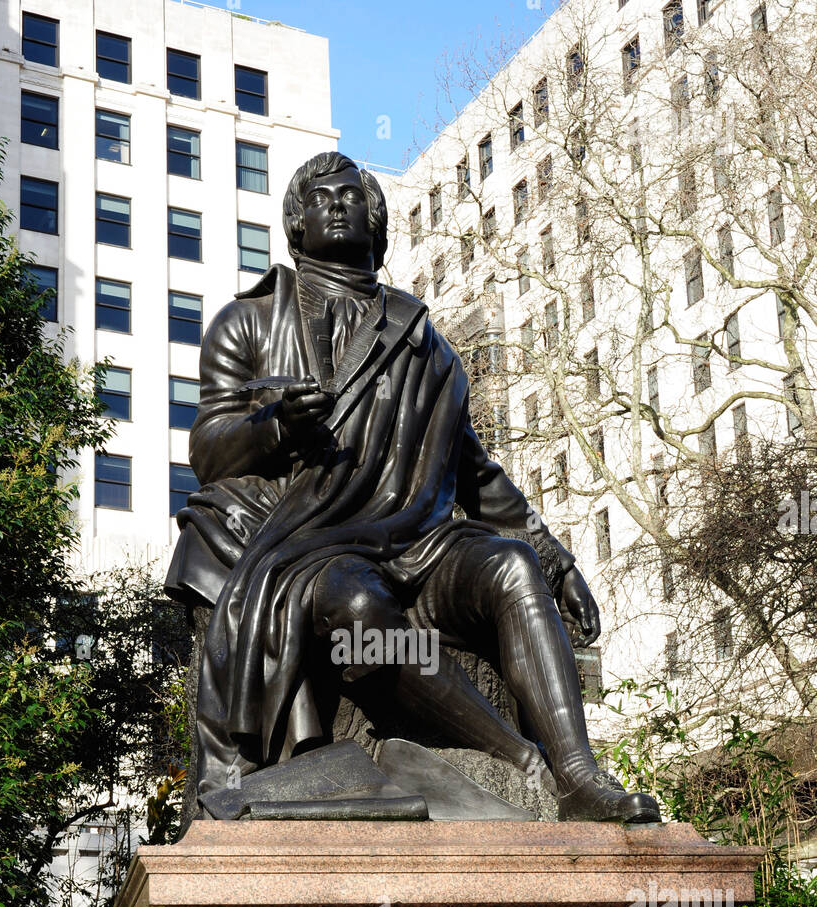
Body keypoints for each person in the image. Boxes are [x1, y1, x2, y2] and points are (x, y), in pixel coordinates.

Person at [165, 151, 659, 824]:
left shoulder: (424, 341)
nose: (336, 205)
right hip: (311, 545)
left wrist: (553, 555)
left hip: (421, 543)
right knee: (355, 607)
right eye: (318, 198)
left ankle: (577, 778)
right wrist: (274, 427)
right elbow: (209, 449)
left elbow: (475, 473)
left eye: (350, 196)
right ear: (295, 225)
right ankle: (518, 761)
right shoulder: (247, 323)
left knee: (512, 566)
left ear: (376, 223)